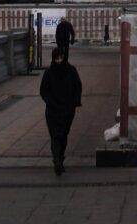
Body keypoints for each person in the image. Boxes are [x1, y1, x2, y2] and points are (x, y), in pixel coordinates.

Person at [40, 46, 82, 176]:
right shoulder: (48, 73)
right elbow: (43, 91)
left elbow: (78, 87)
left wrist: (74, 103)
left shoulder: (71, 71)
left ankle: (60, 158)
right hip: (53, 111)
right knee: (55, 135)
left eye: (61, 58)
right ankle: (57, 160)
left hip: (67, 110)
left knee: (63, 135)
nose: (59, 61)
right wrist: (51, 103)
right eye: (57, 58)